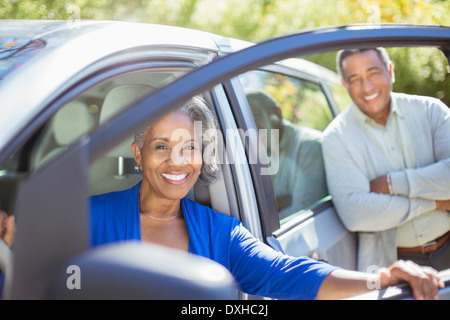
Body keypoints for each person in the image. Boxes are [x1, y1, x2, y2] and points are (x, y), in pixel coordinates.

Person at [1, 96, 445, 300]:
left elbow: (292, 275)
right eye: (161, 146)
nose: (178, 160)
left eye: (189, 146)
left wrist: (381, 278)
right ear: (138, 154)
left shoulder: (221, 233)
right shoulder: (84, 218)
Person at [322, 47, 450, 273]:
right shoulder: (336, 138)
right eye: (355, 79)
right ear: (345, 85)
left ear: (390, 71)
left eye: (373, 73)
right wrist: (436, 203)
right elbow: (356, 213)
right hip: (394, 266)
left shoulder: (431, 111)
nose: (367, 87)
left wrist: (391, 184)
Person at [246, 90, 328, 219]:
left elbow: (303, 212)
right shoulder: (251, 151)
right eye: (246, 121)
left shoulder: (309, 146)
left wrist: (265, 218)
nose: (252, 127)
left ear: (278, 113)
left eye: (257, 117)